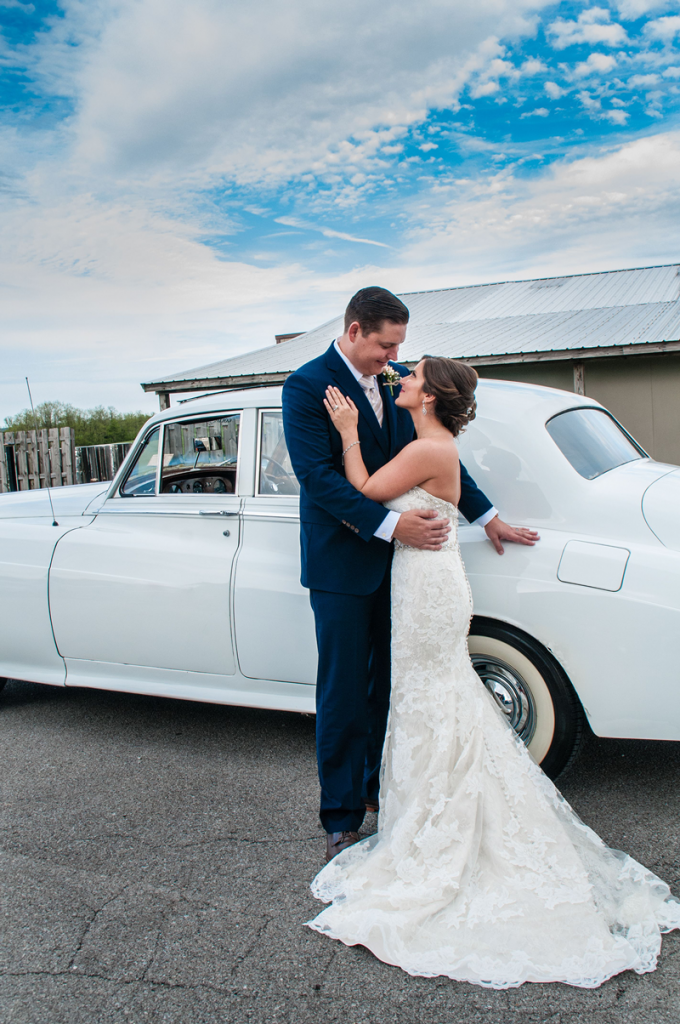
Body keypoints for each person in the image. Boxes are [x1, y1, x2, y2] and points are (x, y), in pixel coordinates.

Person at [305, 356, 680, 988]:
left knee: (430, 696)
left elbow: (365, 490)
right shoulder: (432, 443)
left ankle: (437, 822)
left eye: (413, 376)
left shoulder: (427, 449)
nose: (402, 376)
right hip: (426, 580)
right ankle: (432, 808)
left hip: (427, 587)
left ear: (430, 397)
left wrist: (346, 432)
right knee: (435, 697)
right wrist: (486, 517)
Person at [282, 287, 538, 863]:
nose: (394, 359)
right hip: (343, 564)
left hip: (407, 573)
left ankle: (383, 791)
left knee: (391, 688)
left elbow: (438, 454)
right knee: (345, 690)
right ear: (355, 331)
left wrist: (488, 517)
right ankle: (341, 819)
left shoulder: (397, 380)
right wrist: (390, 527)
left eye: (399, 348)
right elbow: (318, 478)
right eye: (385, 346)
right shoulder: (305, 386)